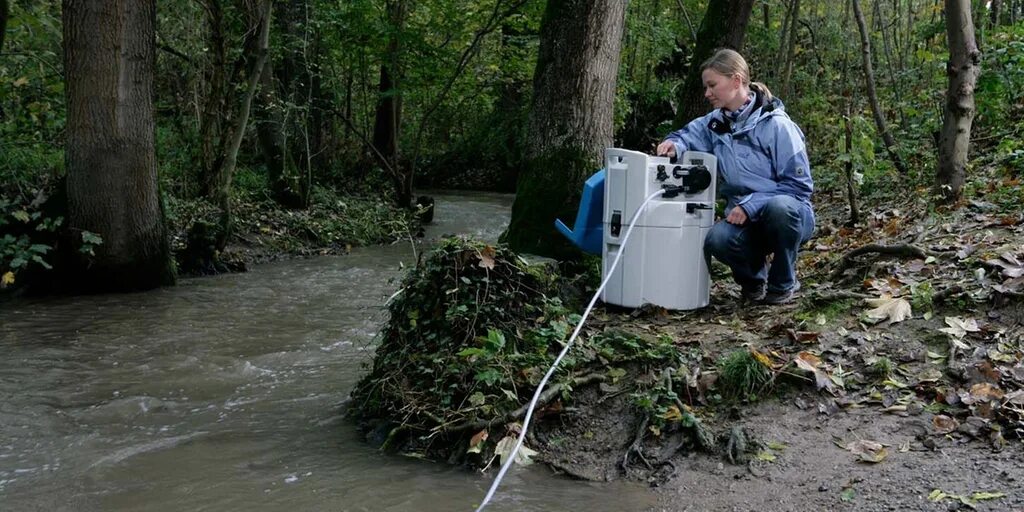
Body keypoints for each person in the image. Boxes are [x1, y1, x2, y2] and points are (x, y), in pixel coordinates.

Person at [656, 48, 814, 305]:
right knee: (717, 239)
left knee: (780, 209)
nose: (707, 93)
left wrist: (751, 205)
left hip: (789, 214)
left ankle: (783, 283)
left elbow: (799, 187)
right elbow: (686, 135)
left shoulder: (778, 125)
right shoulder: (715, 123)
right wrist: (673, 144)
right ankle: (753, 283)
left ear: (737, 80)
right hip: (743, 220)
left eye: (712, 85)